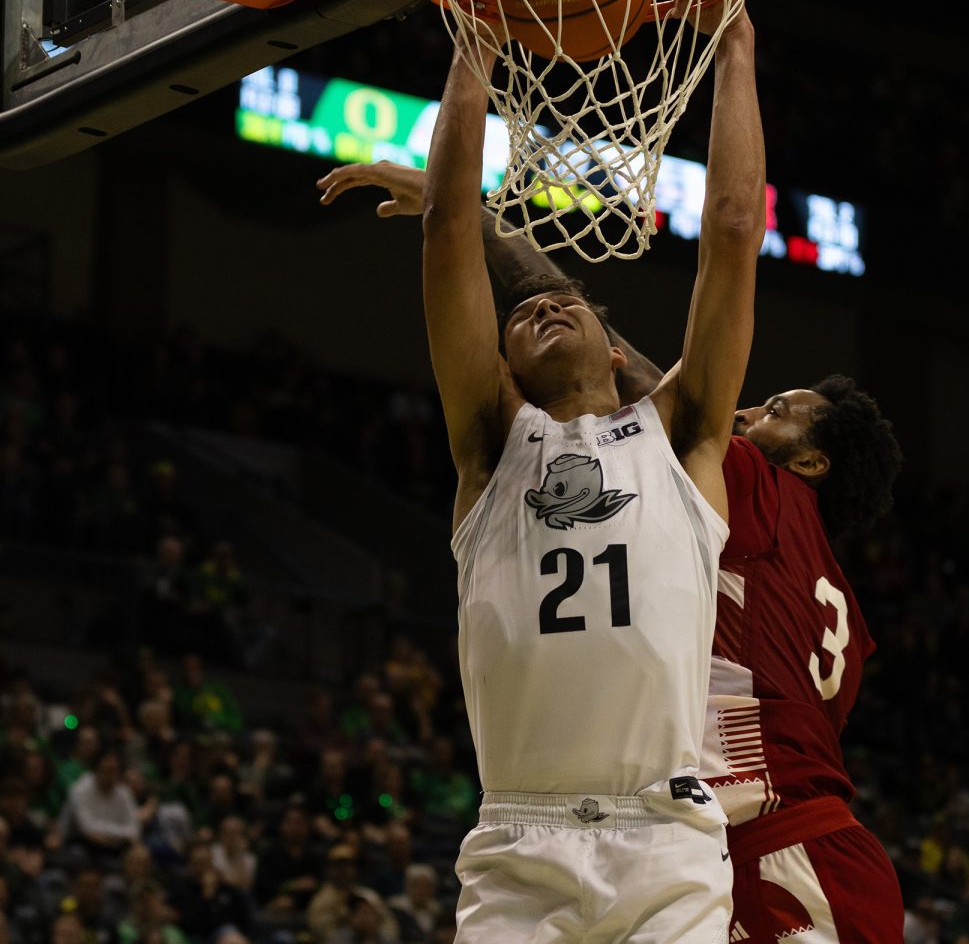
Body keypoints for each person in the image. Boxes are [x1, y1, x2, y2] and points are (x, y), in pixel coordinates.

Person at [319, 96, 903, 944]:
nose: (747, 413)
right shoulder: (822, 586)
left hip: (770, 842)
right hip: (765, 839)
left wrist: (478, 229)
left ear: (811, 462)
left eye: (775, 411)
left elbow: (638, 363)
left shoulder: (755, 488)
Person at [322, 0, 763, 941]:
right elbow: (447, 229)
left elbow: (734, 228)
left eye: (569, 300)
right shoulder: (492, 446)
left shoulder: (683, 431)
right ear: (502, 363)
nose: (549, 301)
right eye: (523, 313)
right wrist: (475, 47)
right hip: (522, 847)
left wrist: (732, 44)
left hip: (666, 838)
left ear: (618, 351)